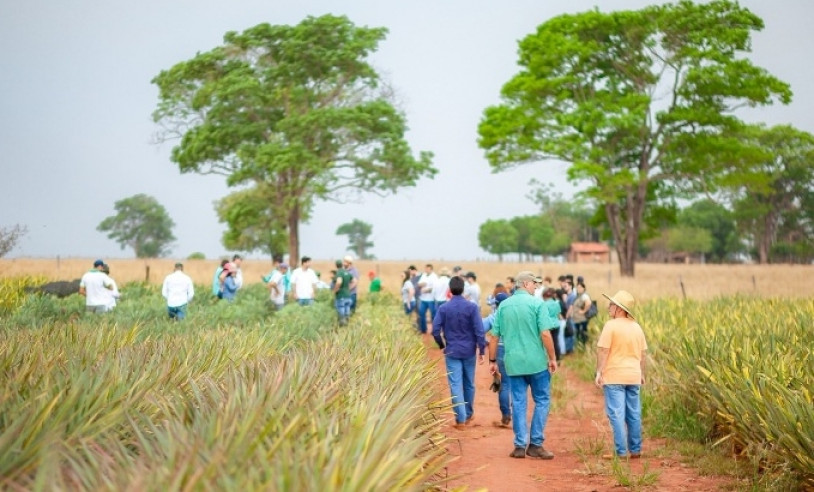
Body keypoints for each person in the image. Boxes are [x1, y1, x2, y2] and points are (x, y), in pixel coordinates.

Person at [488, 271, 558, 459]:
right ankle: (535, 443)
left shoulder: (503, 306)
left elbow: (494, 336)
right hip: (536, 363)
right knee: (542, 400)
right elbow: (545, 334)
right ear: (526, 284)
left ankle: (519, 445)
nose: (536, 287)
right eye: (534, 284)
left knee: (518, 402)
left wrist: (492, 361)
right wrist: (552, 358)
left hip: (513, 363)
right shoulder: (537, 304)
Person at [595, 290, 648, 460]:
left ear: (619, 308)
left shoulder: (611, 326)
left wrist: (599, 372)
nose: (608, 307)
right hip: (633, 375)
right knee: (634, 413)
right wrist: (642, 374)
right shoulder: (637, 327)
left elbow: (603, 350)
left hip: (614, 376)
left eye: (611, 305)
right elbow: (643, 354)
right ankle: (636, 449)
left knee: (616, 414)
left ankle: (621, 451)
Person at [432, 276, 486, 429]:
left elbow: (435, 330)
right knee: (469, 383)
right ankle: (468, 414)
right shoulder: (472, 307)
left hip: (452, 350)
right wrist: (481, 348)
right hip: (469, 351)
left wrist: (441, 344)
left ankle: (460, 419)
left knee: (455, 384)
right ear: (463, 289)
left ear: (450, 290)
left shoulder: (444, 308)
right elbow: (479, 330)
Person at [482, 291, 511, 427]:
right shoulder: (515, 316)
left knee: (503, 384)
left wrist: (485, 341)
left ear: (496, 304)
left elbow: (480, 328)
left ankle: (506, 415)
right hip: (515, 351)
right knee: (516, 384)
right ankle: (517, 415)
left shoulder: (494, 317)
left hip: (499, 349)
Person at [542, 288, 563, 362]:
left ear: (544, 296)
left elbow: (544, 316)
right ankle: (558, 358)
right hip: (557, 324)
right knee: (556, 342)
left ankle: (550, 359)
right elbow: (558, 314)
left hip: (549, 325)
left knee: (548, 342)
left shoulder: (544, 304)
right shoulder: (556, 303)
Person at [416, 264, 438, 334]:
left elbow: (435, 288)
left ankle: (434, 330)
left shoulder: (434, 277)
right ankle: (423, 329)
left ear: (431, 269)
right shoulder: (424, 275)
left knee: (433, 315)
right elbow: (419, 284)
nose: (426, 270)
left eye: (427, 269)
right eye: (425, 269)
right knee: (421, 313)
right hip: (423, 299)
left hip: (431, 299)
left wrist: (426, 290)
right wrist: (423, 284)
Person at [333, 258, 356, 325]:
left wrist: (335, 290)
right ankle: (347, 324)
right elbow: (354, 281)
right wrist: (349, 288)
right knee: (347, 309)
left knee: (341, 309)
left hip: (341, 295)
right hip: (348, 295)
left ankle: (342, 324)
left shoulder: (339, 273)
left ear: (336, 265)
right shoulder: (347, 272)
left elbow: (339, 282)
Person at [572, 282, 593, 346]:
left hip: (582, 319)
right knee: (578, 333)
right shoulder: (578, 296)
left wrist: (583, 311)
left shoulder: (584, 296)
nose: (578, 289)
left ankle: (583, 346)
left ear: (584, 288)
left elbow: (588, 303)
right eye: (577, 287)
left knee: (583, 333)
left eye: (580, 287)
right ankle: (579, 345)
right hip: (577, 319)